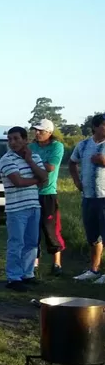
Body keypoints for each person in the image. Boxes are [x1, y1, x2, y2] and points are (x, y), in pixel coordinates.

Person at [0, 126, 48, 292]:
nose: (13, 142)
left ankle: (28, 274)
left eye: (16, 139)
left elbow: (45, 178)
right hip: (16, 208)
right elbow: (18, 182)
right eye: (10, 139)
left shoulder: (34, 156)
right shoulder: (7, 159)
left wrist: (30, 161)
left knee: (32, 243)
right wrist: (37, 180)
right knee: (16, 243)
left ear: (25, 140)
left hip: (33, 205)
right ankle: (13, 277)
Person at [69, 113, 105, 283]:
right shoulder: (83, 145)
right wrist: (77, 181)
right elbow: (72, 162)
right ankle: (94, 270)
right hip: (89, 196)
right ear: (96, 127)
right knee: (93, 236)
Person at [29, 118, 66, 276]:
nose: (37, 133)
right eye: (36, 130)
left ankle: (57, 263)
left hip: (48, 193)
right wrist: (35, 164)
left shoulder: (57, 146)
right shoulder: (31, 146)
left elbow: (51, 167)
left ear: (49, 132)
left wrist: (31, 162)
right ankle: (34, 262)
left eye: (41, 131)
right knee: (33, 228)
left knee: (50, 228)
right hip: (32, 191)